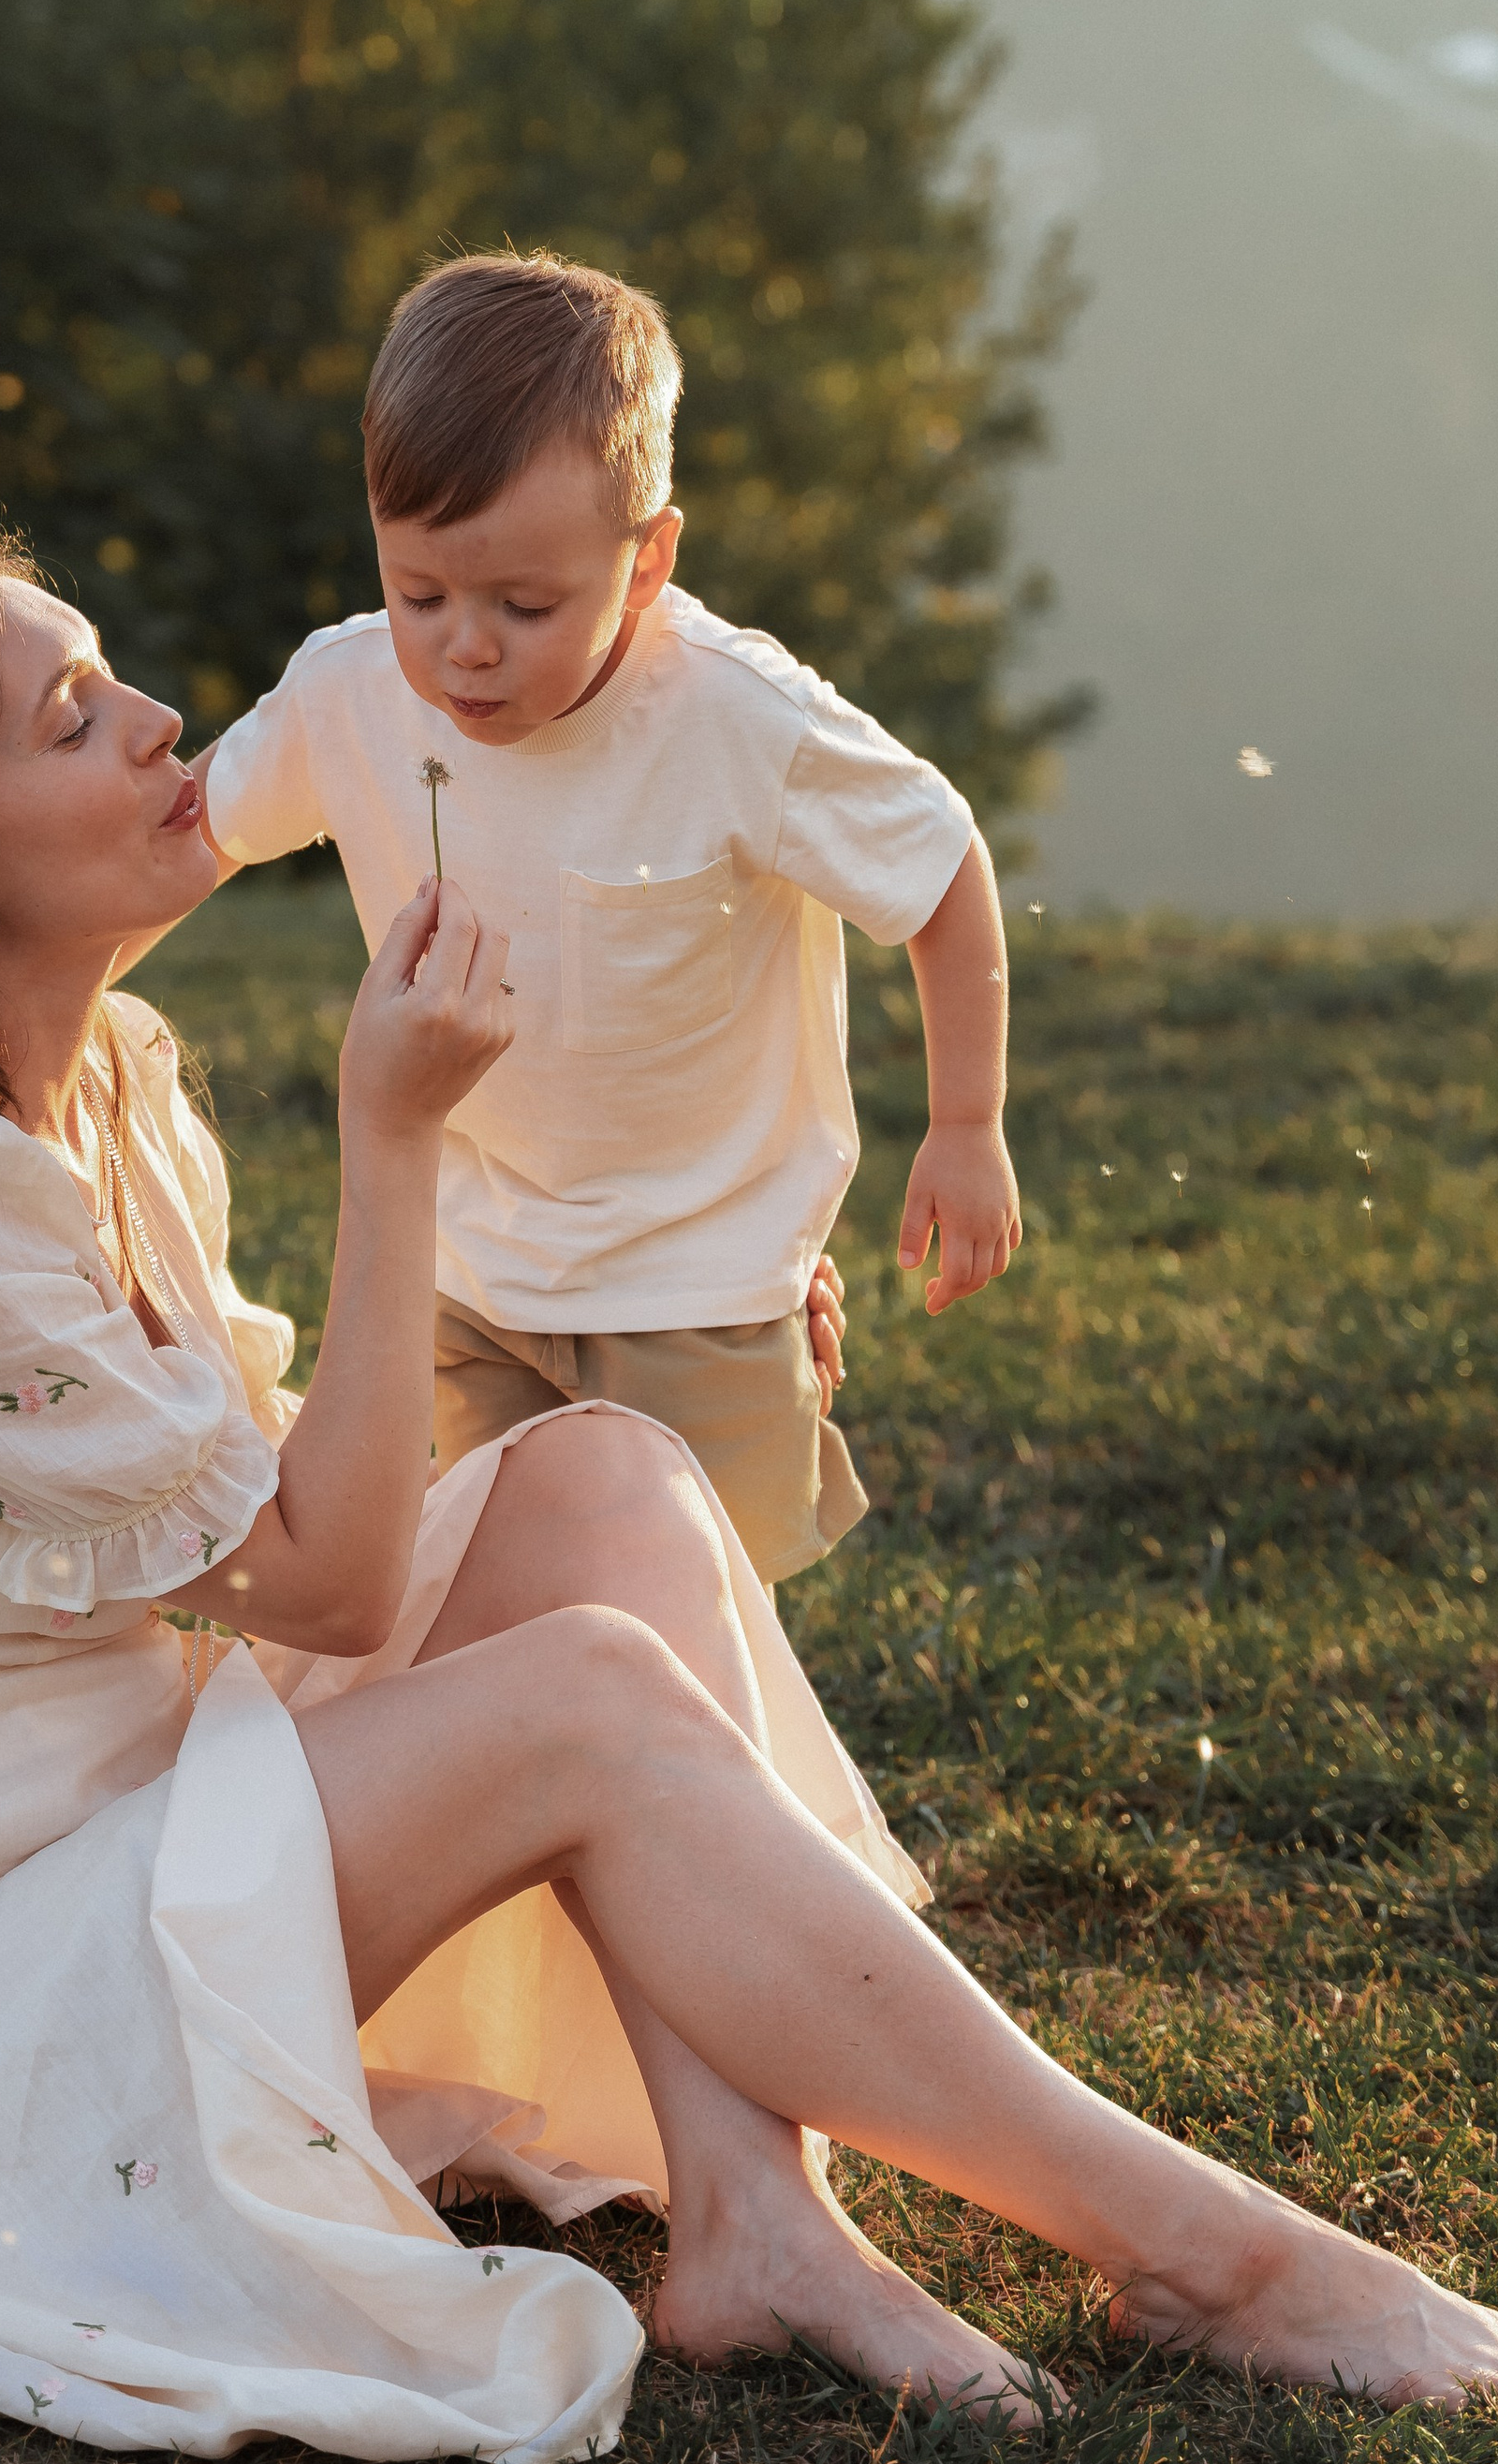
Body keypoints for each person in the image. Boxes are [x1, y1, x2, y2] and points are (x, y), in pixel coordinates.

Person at [0, 523, 1498, 2464]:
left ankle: (750, 2218)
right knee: (586, 1700)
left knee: (605, 1480)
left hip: (114, 1809)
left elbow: (283, 1506)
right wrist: (390, 1138)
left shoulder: (107, 1074)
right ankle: (1208, 2247)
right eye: (76, 714)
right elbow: (332, 1588)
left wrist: (702, 1287)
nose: (162, 718)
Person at [195, 248, 1019, 1592]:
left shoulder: (737, 721)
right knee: (488, 1601)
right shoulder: (347, 697)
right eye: (421, 594)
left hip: (701, 1291)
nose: (465, 646)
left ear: (646, 566)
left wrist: (968, 1126)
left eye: (527, 606)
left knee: (693, 1629)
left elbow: (940, 867)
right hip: (469, 1280)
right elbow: (185, 842)